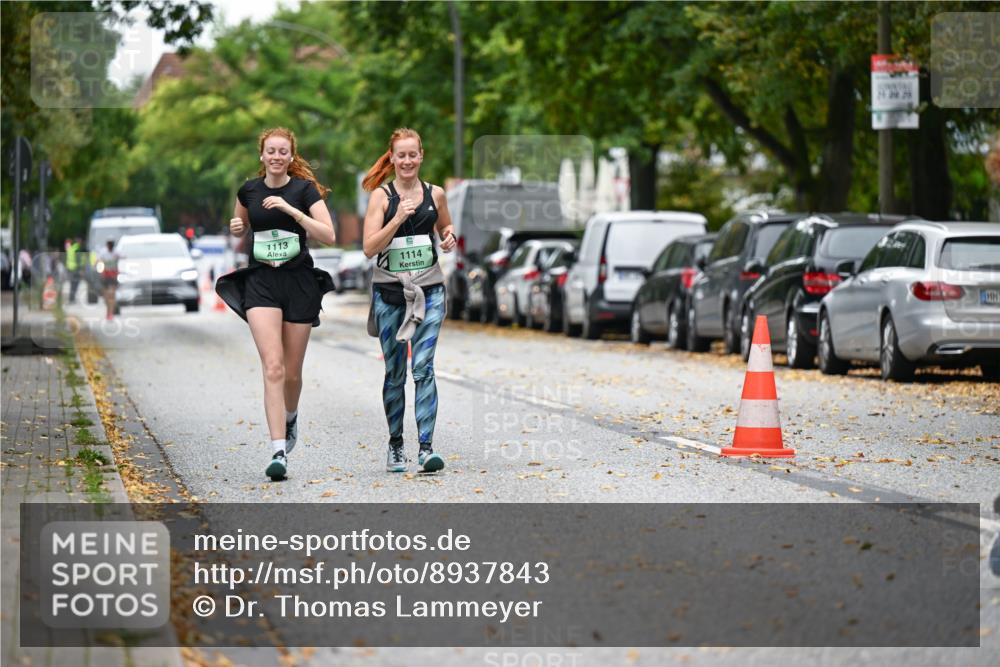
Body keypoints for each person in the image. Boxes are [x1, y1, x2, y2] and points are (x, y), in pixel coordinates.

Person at [215, 127, 337, 481]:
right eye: (271, 151)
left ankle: (291, 415)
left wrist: (290, 210)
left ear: (291, 155)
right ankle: (278, 451)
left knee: (292, 373)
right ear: (262, 156)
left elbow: (329, 235)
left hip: (299, 282)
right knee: (273, 367)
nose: (277, 156)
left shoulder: (304, 190)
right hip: (261, 283)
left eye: (283, 151)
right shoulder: (249, 190)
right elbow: (239, 224)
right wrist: (237, 228)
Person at [362, 128, 457, 473]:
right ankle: (396, 444)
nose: (407, 161)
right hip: (390, 295)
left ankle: (426, 448)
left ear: (421, 156)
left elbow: (446, 228)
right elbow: (369, 247)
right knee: (396, 373)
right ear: (392, 158)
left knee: (424, 368)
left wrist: (449, 238)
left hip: (429, 290)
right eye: (400, 155)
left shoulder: (436, 194)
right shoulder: (381, 198)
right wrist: (399, 217)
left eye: (412, 154)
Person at [97, 239, 119, 320]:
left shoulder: (116, 252)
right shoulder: (103, 252)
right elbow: (98, 262)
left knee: (112, 295)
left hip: (113, 276)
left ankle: (111, 313)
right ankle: (108, 311)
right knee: (106, 296)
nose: (110, 247)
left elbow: (123, 257)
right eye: (109, 245)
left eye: (112, 245)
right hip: (105, 276)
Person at [66, 237, 83, 303]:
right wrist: (80, 269)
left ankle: (71, 298)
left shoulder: (71, 248)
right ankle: (72, 299)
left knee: (72, 284)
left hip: (70, 269)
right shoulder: (77, 248)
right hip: (75, 269)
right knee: (75, 284)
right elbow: (78, 259)